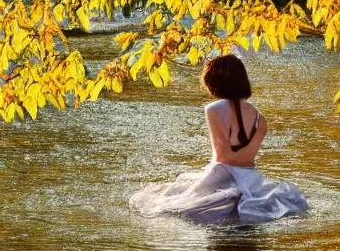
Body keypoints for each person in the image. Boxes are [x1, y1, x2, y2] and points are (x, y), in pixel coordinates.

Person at [129, 54, 308, 223]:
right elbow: (247, 161)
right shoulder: (257, 114)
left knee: (170, 205)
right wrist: (259, 134)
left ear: (214, 82)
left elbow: (224, 158)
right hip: (250, 178)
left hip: (222, 175)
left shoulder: (214, 109)